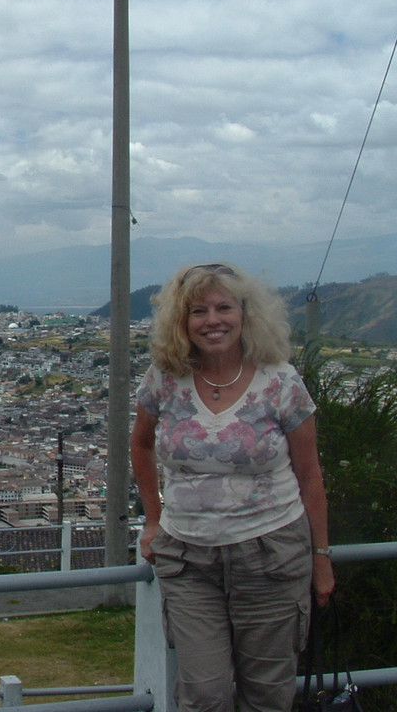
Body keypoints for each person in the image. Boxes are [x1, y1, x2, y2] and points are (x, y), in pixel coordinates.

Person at [130, 262, 335, 712]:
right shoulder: (164, 378)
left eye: (224, 307)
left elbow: (310, 476)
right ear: (182, 322)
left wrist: (321, 559)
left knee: (267, 694)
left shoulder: (280, 381)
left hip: (272, 554)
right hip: (189, 559)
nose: (212, 320)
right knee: (204, 694)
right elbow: (140, 446)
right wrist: (152, 521)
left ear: (246, 314)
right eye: (198, 311)